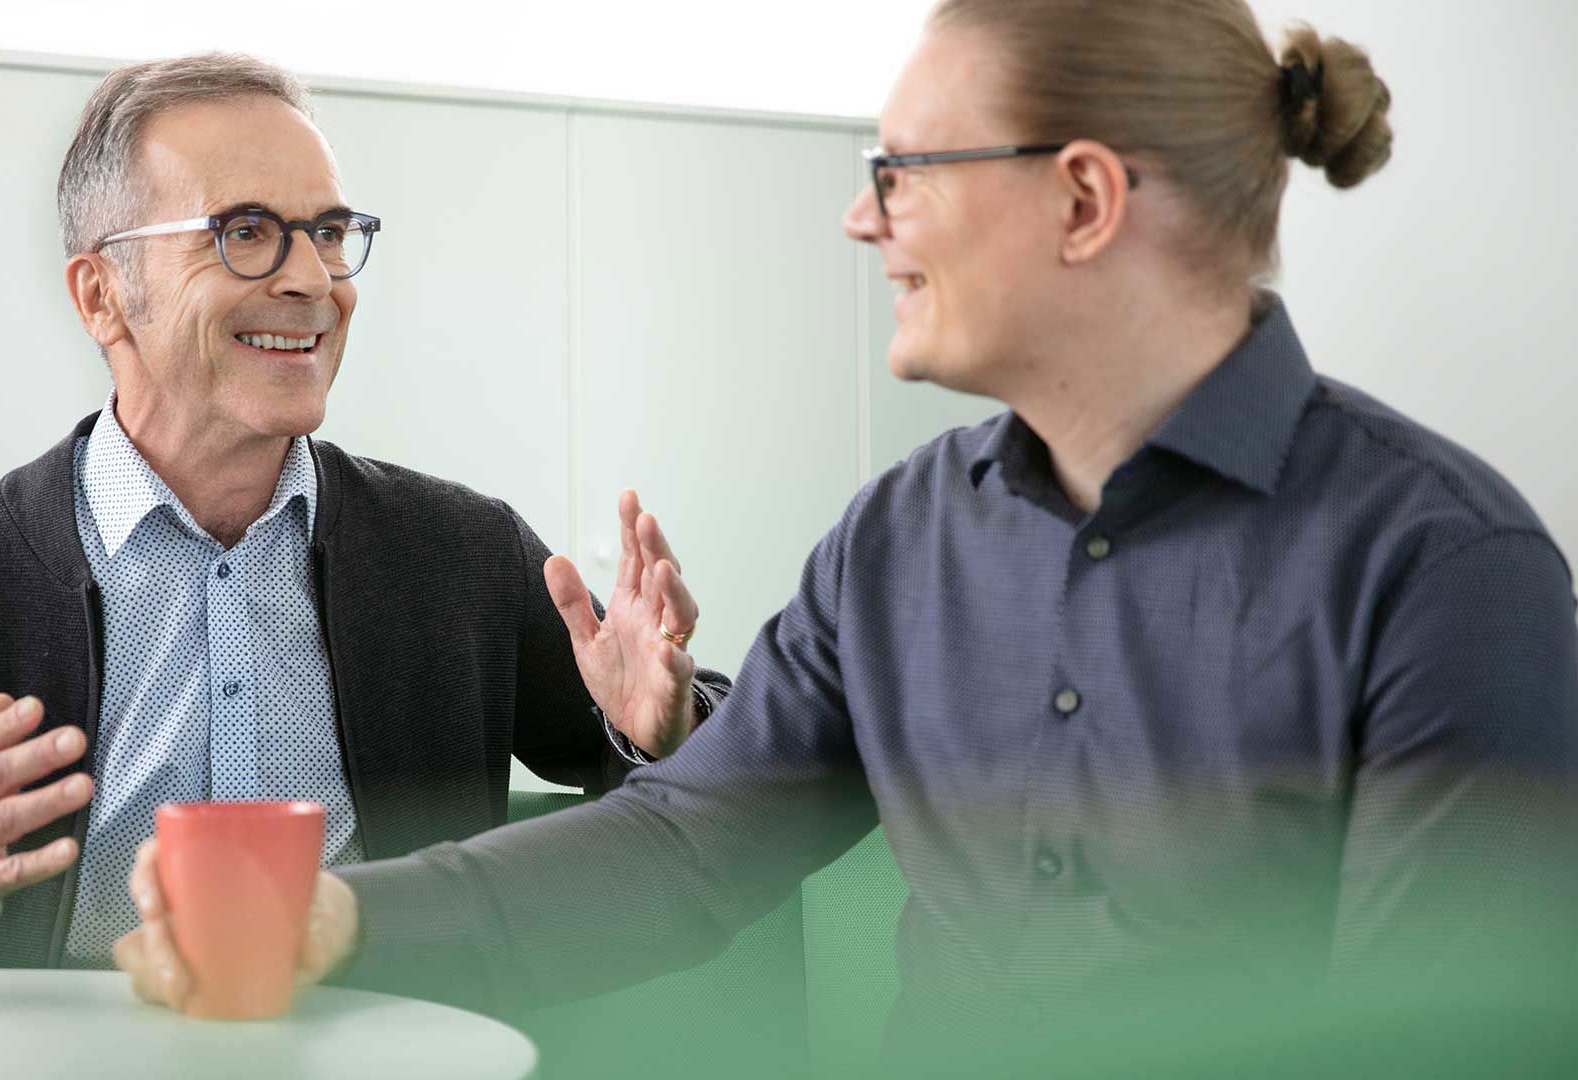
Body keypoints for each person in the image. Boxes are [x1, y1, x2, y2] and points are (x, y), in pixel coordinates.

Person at [116, 0, 1577, 1062]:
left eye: (904, 173)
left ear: (1082, 198)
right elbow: (686, 848)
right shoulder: (899, 543)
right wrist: (340, 921)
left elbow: (1444, 1046)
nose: (863, 222)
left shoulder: (1444, 573)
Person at [0, 53, 728, 973]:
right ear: (102, 296)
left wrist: (665, 729)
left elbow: (711, 804)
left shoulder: (461, 558)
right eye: (245, 233)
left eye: (329, 233)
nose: (313, 281)